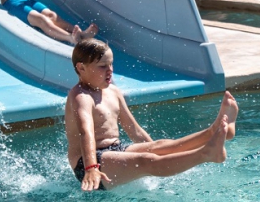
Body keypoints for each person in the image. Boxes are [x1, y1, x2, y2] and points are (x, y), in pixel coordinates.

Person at [66, 39, 238, 191]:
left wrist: (158, 152)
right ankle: (207, 154)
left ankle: (214, 131)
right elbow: (85, 133)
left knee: (162, 146)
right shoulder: (81, 97)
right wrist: (91, 168)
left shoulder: (113, 91)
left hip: (115, 149)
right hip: (89, 162)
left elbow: (134, 129)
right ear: (81, 68)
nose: (110, 70)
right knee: (145, 160)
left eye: (111, 64)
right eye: (102, 66)